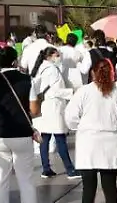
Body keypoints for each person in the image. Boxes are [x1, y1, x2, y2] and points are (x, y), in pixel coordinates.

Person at [65, 57, 117, 203]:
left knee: (88, 189)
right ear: (112, 73)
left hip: (88, 143)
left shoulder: (83, 91)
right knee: (110, 187)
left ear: (92, 73)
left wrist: (81, 126)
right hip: (111, 143)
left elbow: (70, 116)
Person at [0, 47, 38, 203]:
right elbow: (34, 109)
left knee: (0, 179)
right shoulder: (27, 80)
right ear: (15, 61)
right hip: (22, 132)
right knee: (26, 179)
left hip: (0, 134)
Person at [29, 47, 78, 180]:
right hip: (54, 107)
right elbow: (55, 91)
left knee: (45, 139)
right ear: (50, 56)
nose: (59, 57)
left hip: (46, 107)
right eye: (57, 55)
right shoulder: (52, 70)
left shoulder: (41, 68)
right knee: (60, 138)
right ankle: (70, 169)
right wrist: (71, 92)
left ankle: (46, 169)